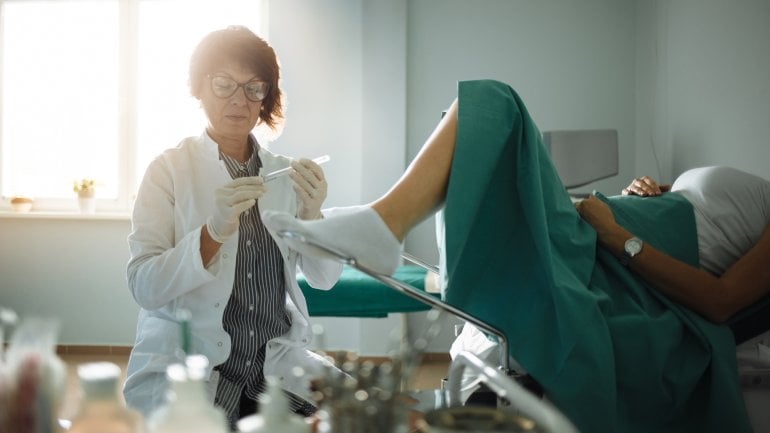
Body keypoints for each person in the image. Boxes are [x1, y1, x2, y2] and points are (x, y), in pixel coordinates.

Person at [261, 79, 770, 432]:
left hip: (604, 259)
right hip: (599, 233)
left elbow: (722, 301)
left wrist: (621, 237)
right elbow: (695, 214)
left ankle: (381, 226)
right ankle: (378, 225)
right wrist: (652, 193)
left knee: (492, 105)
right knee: (476, 141)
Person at [123, 25, 343, 426]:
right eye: (224, 84)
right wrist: (212, 234)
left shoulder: (285, 176)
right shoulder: (168, 171)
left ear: (266, 97)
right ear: (199, 87)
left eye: (254, 88)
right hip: (191, 361)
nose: (239, 100)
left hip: (273, 362)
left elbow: (325, 278)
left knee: (363, 417)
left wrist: (313, 214)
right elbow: (144, 286)